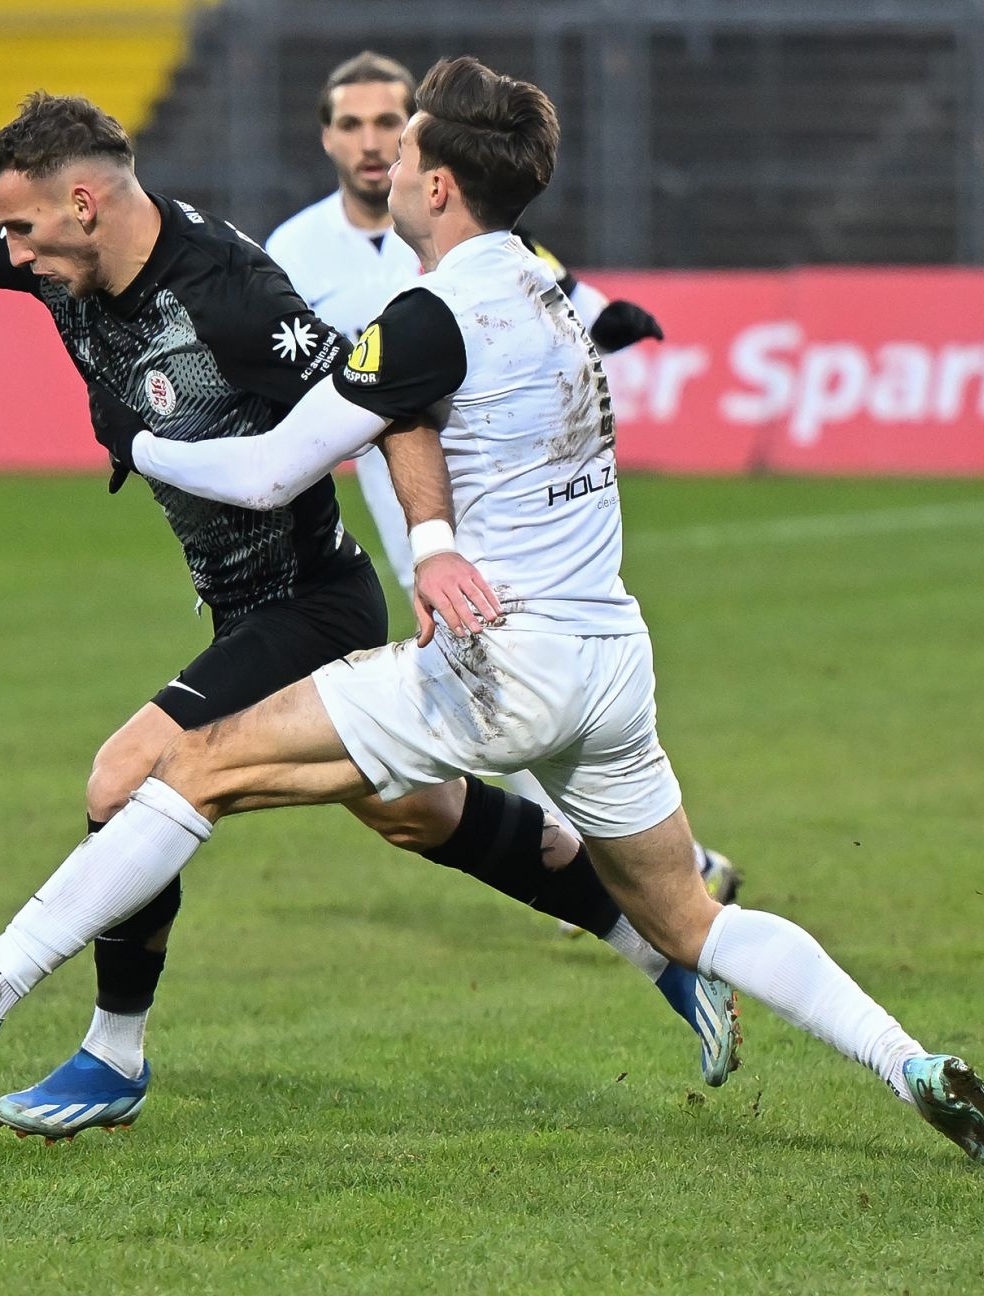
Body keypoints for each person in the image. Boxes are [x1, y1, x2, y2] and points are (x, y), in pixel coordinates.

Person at [0, 56, 984, 1166]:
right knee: (687, 917)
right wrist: (441, 539)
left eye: (404, 152)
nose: (385, 168)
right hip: (611, 661)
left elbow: (265, 473)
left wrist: (141, 438)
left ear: (441, 184)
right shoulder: (544, 291)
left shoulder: (425, 319)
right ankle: (907, 1059)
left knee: (188, 771)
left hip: (495, 663)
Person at [0, 90, 739, 1140]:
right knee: (420, 813)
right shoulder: (57, 257)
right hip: (240, 604)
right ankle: (659, 939)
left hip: (309, 601)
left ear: (85, 203)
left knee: (125, 773)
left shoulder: (232, 296)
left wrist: (430, 544)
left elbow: (394, 400)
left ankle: (109, 1052)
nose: (10, 250)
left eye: (24, 227)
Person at [266, 51, 738, 933]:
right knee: (496, 689)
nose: (374, 143)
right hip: (406, 488)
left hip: (495, 494)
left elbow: (535, 272)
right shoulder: (292, 251)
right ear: (327, 138)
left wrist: (603, 309)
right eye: (353, 125)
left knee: (500, 683)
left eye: (388, 123)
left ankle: (630, 877)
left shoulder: (452, 231)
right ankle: (643, 875)